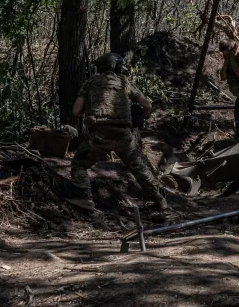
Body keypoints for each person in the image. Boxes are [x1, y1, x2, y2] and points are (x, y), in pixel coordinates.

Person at [69, 53, 167, 211]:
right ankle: (159, 200)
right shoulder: (124, 82)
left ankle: (85, 200)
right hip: (123, 135)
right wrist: (144, 116)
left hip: (99, 134)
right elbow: (147, 105)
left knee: (78, 165)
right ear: (118, 67)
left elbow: (76, 111)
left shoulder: (90, 83)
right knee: (138, 167)